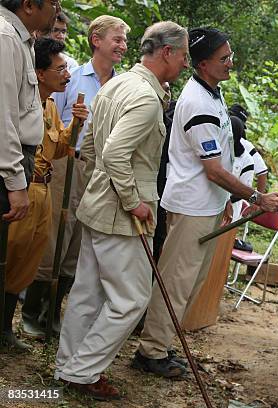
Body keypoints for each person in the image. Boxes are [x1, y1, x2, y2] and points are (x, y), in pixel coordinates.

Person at [132, 27, 278, 377]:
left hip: (209, 206)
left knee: (190, 281)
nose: (231, 63)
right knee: (175, 280)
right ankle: (150, 351)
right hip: (191, 207)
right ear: (203, 64)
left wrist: (229, 202)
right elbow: (213, 169)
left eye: (230, 56)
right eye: (224, 58)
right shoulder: (198, 103)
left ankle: (164, 345)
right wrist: (257, 198)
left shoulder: (212, 93)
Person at [54, 21, 189, 400]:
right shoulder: (145, 97)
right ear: (166, 52)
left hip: (100, 204)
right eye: (183, 56)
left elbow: (94, 148)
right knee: (130, 300)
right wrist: (134, 203)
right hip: (123, 213)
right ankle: (81, 371)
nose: (183, 64)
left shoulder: (116, 84)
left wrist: (102, 188)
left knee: (88, 293)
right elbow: (113, 153)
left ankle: (69, 366)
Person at [22, 15, 130, 337]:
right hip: (69, 164)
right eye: (117, 39)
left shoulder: (122, 85)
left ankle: (54, 311)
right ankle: (32, 309)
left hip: (103, 170)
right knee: (56, 234)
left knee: (80, 240)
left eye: (125, 41)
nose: (122, 46)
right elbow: (50, 123)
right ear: (96, 40)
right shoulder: (73, 77)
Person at [6, 38, 87, 346]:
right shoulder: (23, 105)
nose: (67, 75)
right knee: (12, 253)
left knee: (28, 258)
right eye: (61, 68)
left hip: (43, 190)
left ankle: (6, 330)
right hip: (24, 188)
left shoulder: (51, 106)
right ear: (40, 73)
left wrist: (76, 125)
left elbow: (59, 148)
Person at [0, 0, 59, 349]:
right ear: (28, 5)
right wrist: (15, 180)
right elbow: (4, 116)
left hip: (20, 157)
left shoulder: (22, 38)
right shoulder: (6, 37)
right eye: (52, 2)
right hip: (11, 160)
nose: (57, 9)